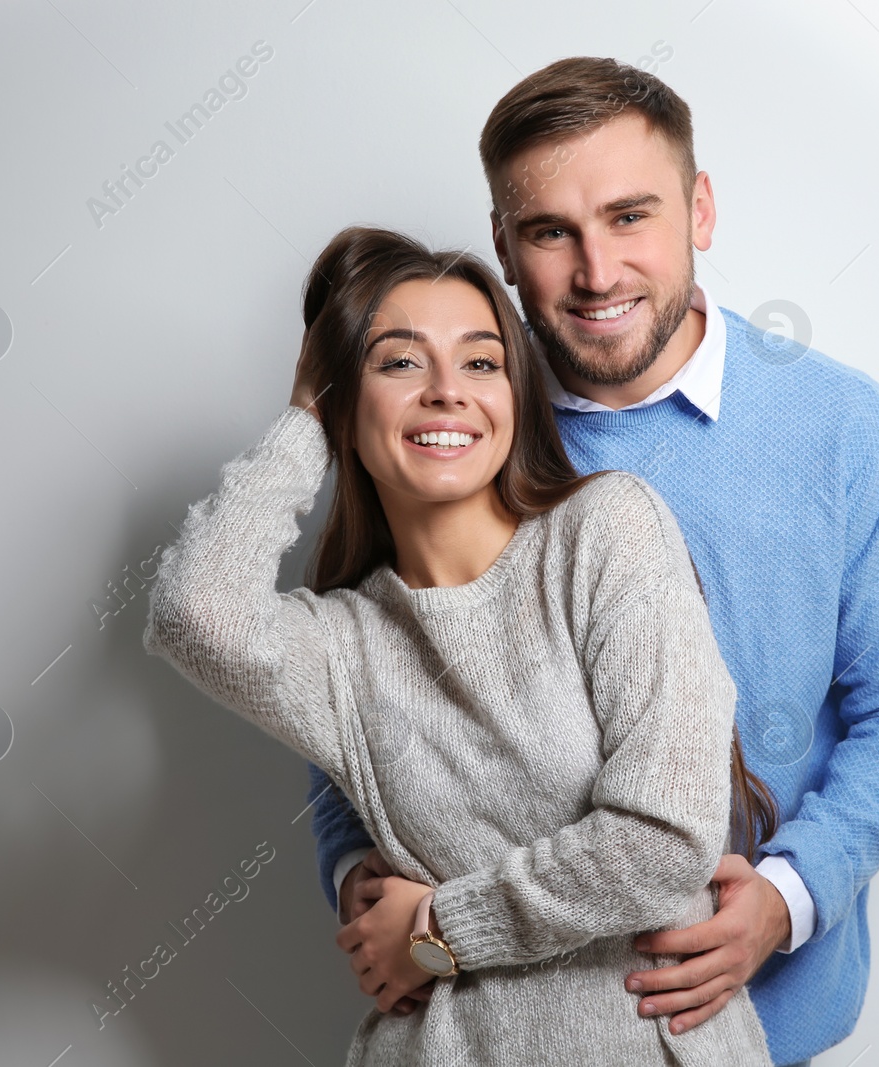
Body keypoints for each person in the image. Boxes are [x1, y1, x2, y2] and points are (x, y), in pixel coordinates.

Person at [313, 57, 879, 1067]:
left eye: (631, 217)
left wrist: (787, 899)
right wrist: (355, 867)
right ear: (503, 244)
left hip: (759, 1020)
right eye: (549, 232)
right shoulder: (453, 430)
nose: (597, 271)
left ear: (700, 209)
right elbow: (348, 671)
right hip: (493, 1023)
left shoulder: (843, 428)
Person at [143, 225, 778, 1065]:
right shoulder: (342, 641)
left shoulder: (605, 530)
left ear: (515, 393)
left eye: (481, 362)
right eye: (400, 361)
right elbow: (196, 613)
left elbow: (663, 843)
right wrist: (304, 420)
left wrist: (439, 929)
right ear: (345, 396)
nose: (448, 390)